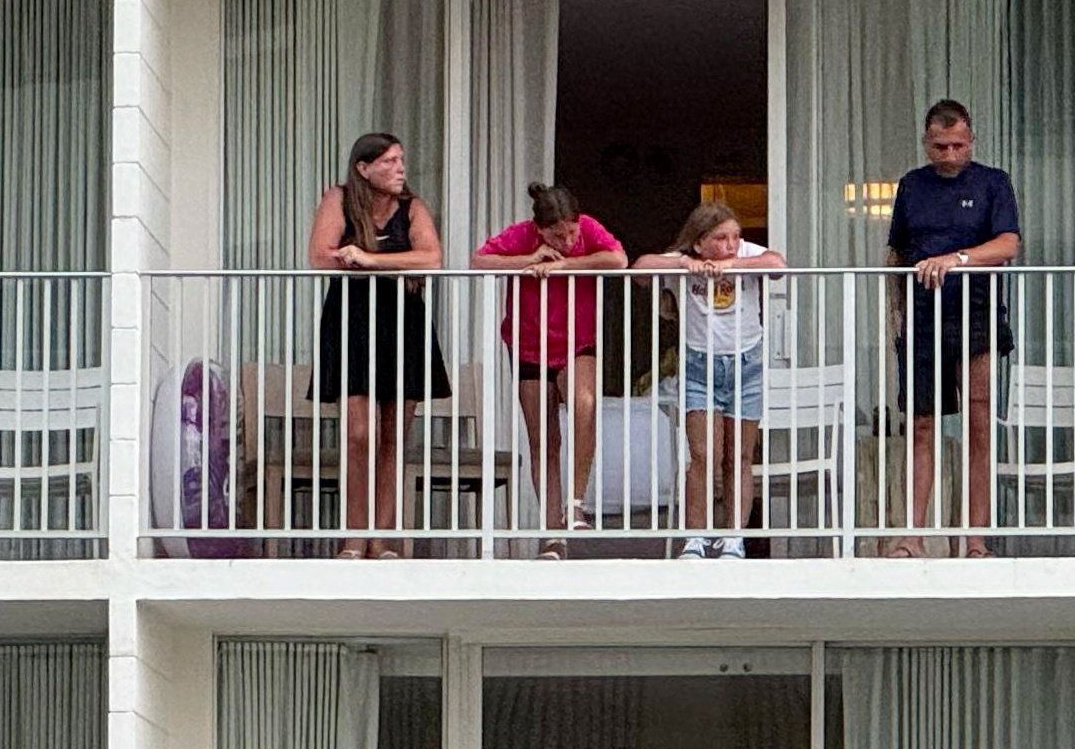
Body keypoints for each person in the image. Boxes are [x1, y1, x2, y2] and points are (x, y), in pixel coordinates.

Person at [885, 100, 1022, 557]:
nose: (948, 155)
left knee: (978, 423)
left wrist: (957, 259)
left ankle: (974, 539)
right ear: (926, 142)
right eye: (939, 146)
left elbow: (1008, 243)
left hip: (976, 310)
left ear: (971, 141)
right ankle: (912, 535)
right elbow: (897, 254)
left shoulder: (991, 182)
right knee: (920, 424)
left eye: (957, 145)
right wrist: (894, 313)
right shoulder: (911, 185)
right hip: (921, 316)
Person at [309, 130, 448, 555]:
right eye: (388, 161)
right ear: (363, 168)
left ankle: (382, 540)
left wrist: (368, 259)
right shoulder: (339, 198)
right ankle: (353, 536)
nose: (399, 168)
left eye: (401, 159)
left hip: (402, 320)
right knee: (358, 431)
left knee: (393, 434)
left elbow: (432, 259)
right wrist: (392, 266)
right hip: (352, 318)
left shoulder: (413, 207)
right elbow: (320, 254)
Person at [629, 201, 786, 559]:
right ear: (699, 242)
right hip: (699, 364)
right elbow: (639, 269)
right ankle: (695, 539)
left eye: (735, 237)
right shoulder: (686, 259)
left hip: (746, 362)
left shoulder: (744, 254)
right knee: (703, 455)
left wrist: (731, 264)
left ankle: (733, 538)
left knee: (740, 456)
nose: (731, 244)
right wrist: (685, 263)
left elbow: (777, 265)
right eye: (720, 239)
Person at [477, 184, 625, 548]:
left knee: (584, 403)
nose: (567, 239)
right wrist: (529, 262)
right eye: (557, 234)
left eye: (571, 231)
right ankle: (551, 529)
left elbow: (617, 259)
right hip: (529, 343)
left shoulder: (588, 229)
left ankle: (576, 504)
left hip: (577, 339)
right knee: (543, 439)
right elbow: (479, 260)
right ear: (539, 229)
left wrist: (568, 265)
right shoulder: (521, 236)